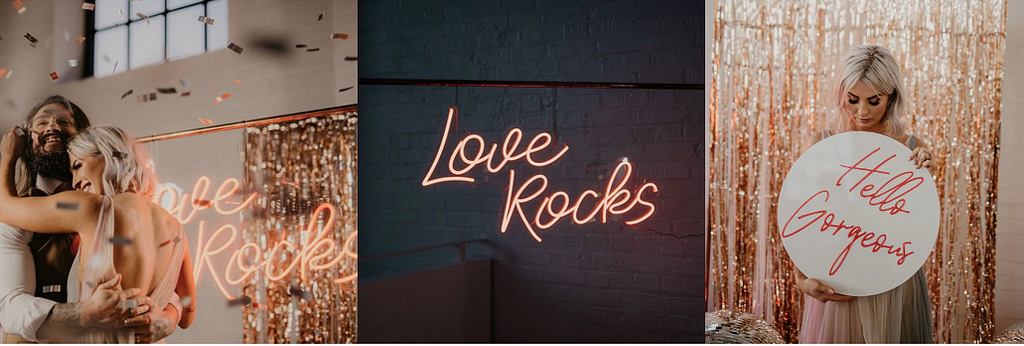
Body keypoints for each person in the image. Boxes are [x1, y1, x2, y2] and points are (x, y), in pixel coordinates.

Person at [0, 96, 192, 343]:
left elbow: (177, 297)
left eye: (63, 122)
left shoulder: (91, 206)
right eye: (41, 123)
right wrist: (85, 313)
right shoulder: (20, 215)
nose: (51, 128)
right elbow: (10, 306)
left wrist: (167, 319)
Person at [794, 45, 937, 343]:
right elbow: (803, 217)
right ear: (841, 95)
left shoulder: (910, 147)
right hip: (840, 275)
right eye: (852, 99)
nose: (862, 111)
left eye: (874, 101)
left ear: (892, 97)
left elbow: (917, 222)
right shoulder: (821, 144)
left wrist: (924, 173)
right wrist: (801, 280)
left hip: (895, 278)